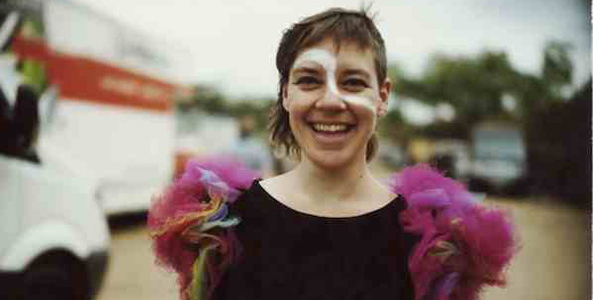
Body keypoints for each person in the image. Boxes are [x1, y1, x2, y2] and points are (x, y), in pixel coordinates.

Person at [148, 7, 517, 300]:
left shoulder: (434, 245)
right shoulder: (221, 227)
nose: (330, 101)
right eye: (309, 80)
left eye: (353, 82)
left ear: (382, 97)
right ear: (286, 94)